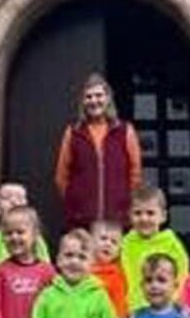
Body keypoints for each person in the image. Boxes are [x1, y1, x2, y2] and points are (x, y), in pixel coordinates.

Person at [53, 73, 143, 230]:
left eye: (99, 95)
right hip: (81, 221)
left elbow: (135, 173)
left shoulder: (125, 131)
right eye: (89, 97)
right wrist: (76, 203)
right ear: (83, 102)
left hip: (116, 220)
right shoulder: (73, 133)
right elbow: (61, 176)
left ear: (108, 99)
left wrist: (125, 203)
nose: (94, 101)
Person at [120, 184, 190, 313]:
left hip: (164, 311)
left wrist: (172, 305)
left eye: (150, 213)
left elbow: (182, 278)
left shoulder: (172, 245)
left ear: (163, 216)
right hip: (131, 312)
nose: (144, 218)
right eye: (138, 213)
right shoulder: (123, 245)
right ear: (129, 215)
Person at [0, 182, 51, 280]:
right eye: (6, 197)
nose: (14, 201)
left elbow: (45, 270)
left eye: (19, 198)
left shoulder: (36, 241)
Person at [89, 220, 129, 318]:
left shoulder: (116, 275)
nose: (108, 244)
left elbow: (120, 307)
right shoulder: (81, 269)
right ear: (91, 241)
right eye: (103, 238)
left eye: (114, 242)